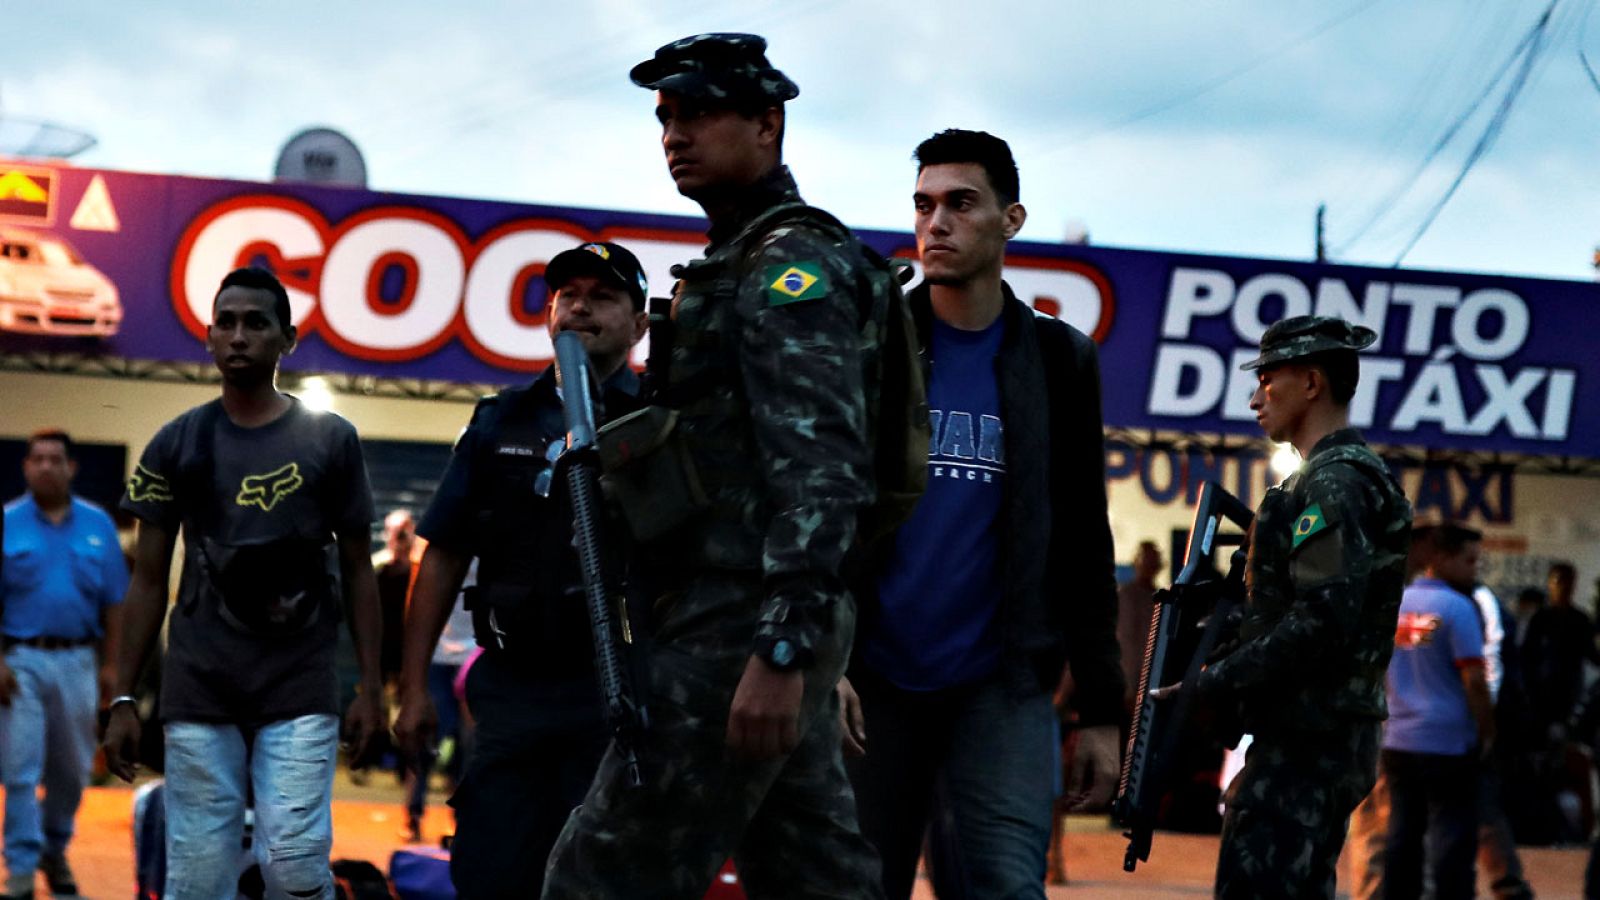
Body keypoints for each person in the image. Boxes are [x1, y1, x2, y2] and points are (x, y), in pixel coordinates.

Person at [542, 33, 887, 899]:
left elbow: (822, 466)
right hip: (735, 610)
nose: (673, 134)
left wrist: (781, 646)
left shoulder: (787, 265)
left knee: (599, 878)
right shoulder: (742, 259)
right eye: (665, 117)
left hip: (741, 623)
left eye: (698, 112)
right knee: (813, 873)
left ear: (768, 123)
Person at [841, 128, 1124, 900]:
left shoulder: (1060, 359)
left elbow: (1082, 537)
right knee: (855, 889)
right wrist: (822, 652)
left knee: (1004, 887)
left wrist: (1102, 711)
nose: (937, 223)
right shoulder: (872, 343)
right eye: (924, 205)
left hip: (999, 688)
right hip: (871, 684)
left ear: (1012, 218)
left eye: (961, 204)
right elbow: (823, 510)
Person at [101, 266, 385, 900]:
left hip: (300, 679)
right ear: (207, 337)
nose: (238, 335)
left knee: (292, 866)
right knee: (198, 880)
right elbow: (148, 581)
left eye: (256, 323)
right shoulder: (176, 444)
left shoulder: (330, 440)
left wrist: (373, 687)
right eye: (225, 322)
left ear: (287, 338)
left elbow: (361, 568)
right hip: (200, 682)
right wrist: (124, 698)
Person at [392, 239, 648, 896]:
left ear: (640, 324)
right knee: (493, 868)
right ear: (549, 314)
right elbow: (443, 555)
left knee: (599, 879)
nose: (581, 308)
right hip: (511, 691)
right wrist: (413, 687)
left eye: (605, 296)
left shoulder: (663, 423)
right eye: (569, 296)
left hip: (619, 694)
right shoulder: (499, 420)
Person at [1155, 315, 1413, 898]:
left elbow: (1321, 621)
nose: (1255, 398)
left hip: (1313, 736)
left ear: (1312, 384)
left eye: (1268, 380)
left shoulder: (1335, 484)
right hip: (1312, 733)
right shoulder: (1329, 480)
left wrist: (1210, 682)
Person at [1, 430, 129, 900]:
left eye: (56, 459)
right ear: (26, 467)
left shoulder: (98, 526)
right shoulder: (7, 523)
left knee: (73, 770)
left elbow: (117, 602)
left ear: (71, 468)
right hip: (21, 662)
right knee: (19, 768)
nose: (47, 467)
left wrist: (112, 667)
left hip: (79, 661)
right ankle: (19, 868)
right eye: (38, 459)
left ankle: (54, 849)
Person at [1381, 522, 1495, 899]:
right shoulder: (1459, 608)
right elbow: (1475, 680)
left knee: (1402, 831)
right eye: (1468, 561)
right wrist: (1487, 730)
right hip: (1447, 741)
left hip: (1398, 739)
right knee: (1451, 833)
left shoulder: (1397, 603)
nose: (1473, 569)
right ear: (1441, 558)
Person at [1118, 540, 1164, 713]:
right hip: (1134, 684)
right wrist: (1130, 686)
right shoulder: (1127, 596)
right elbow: (1128, 642)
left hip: (1150, 680)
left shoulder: (1159, 597)